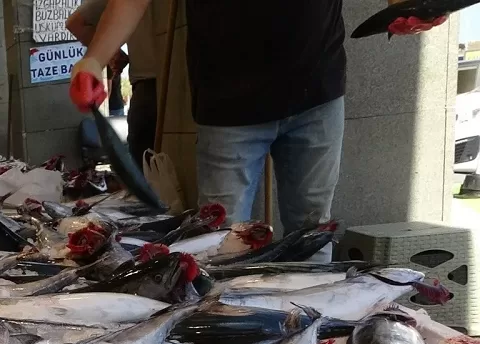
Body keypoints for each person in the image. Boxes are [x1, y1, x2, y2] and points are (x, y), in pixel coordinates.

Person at [68, 0, 346, 237]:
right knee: (221, 241)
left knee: (313, 235)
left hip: (318, 89)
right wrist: (94, 59)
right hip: (228, 106)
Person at [67, 0, 157, 167]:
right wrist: (95, 61)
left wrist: (103, 58)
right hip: (178, 87)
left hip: (146, 93)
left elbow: (76, 23)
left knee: (144, 171)